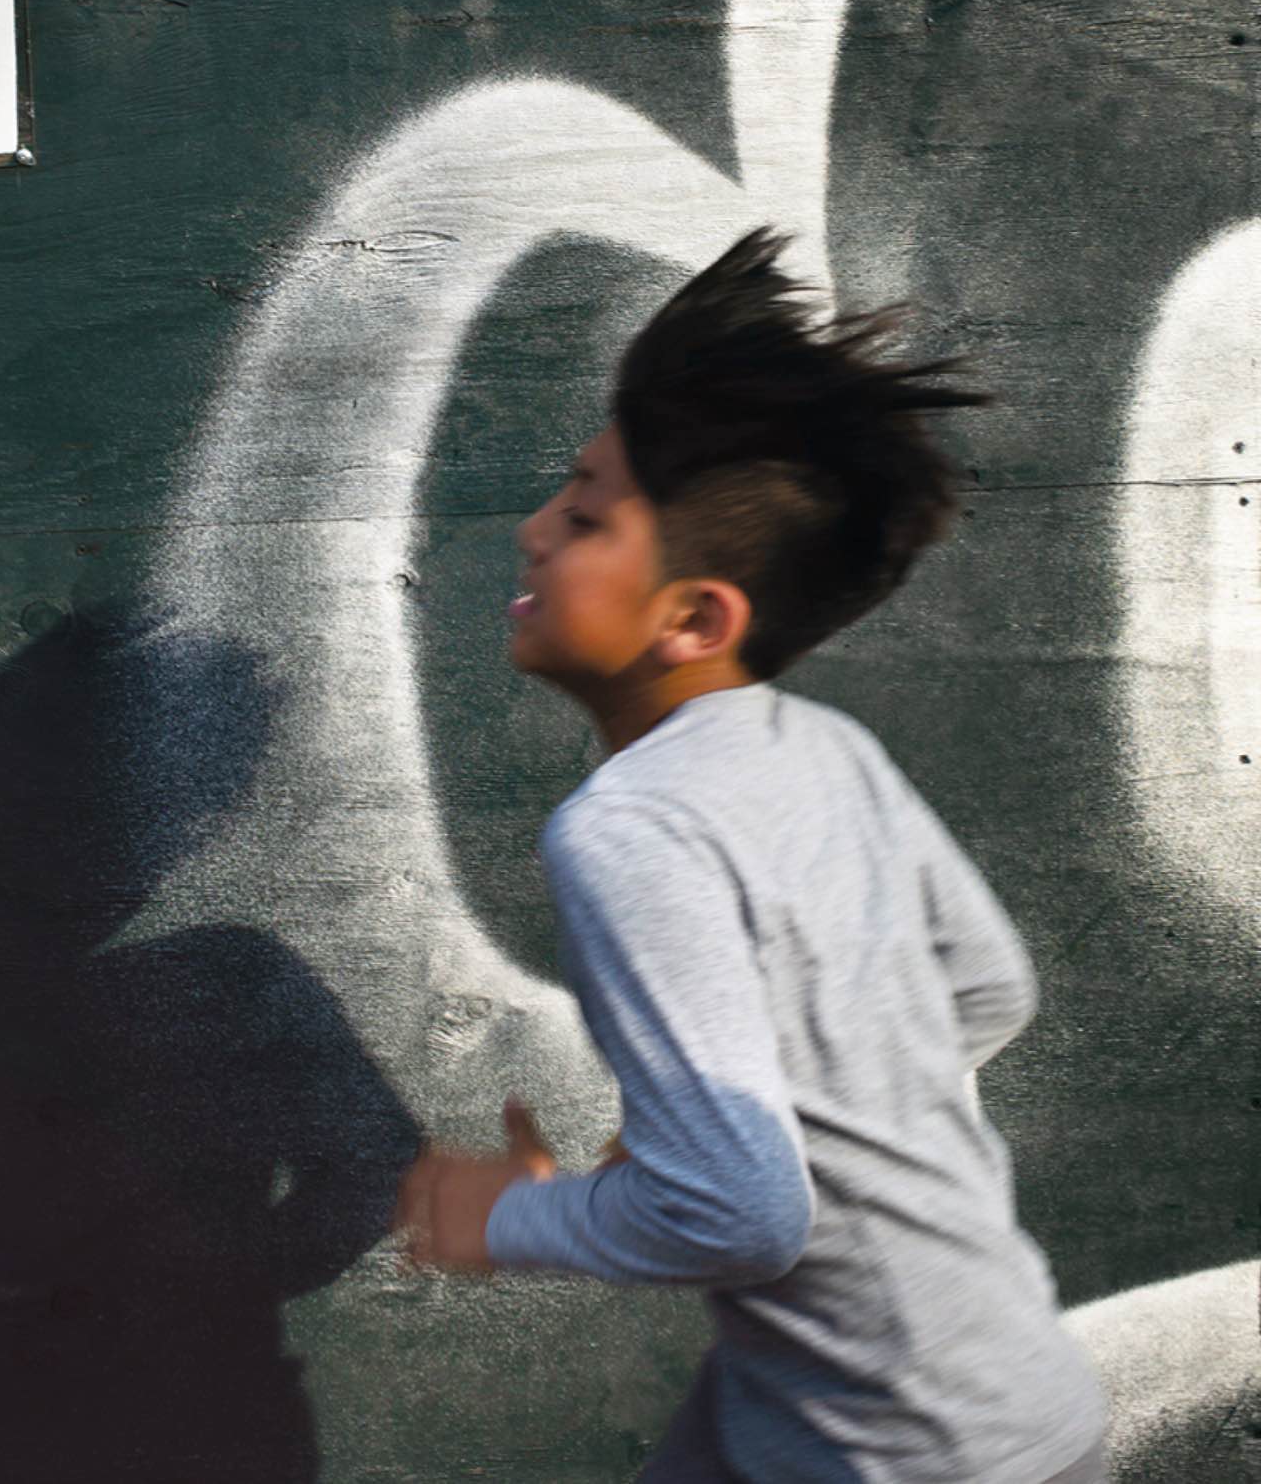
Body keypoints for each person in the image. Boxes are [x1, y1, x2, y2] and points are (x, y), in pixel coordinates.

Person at [391, 227, 1109, 1484]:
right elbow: (991, 988)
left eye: (584, 513)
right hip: (1005, 1402)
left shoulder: (628, 827)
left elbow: (738, 1209)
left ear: (694, 617)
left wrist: (501, 1214)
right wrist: (763, 1118)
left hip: (895, 1453)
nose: (534, 528)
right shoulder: (824, 747)